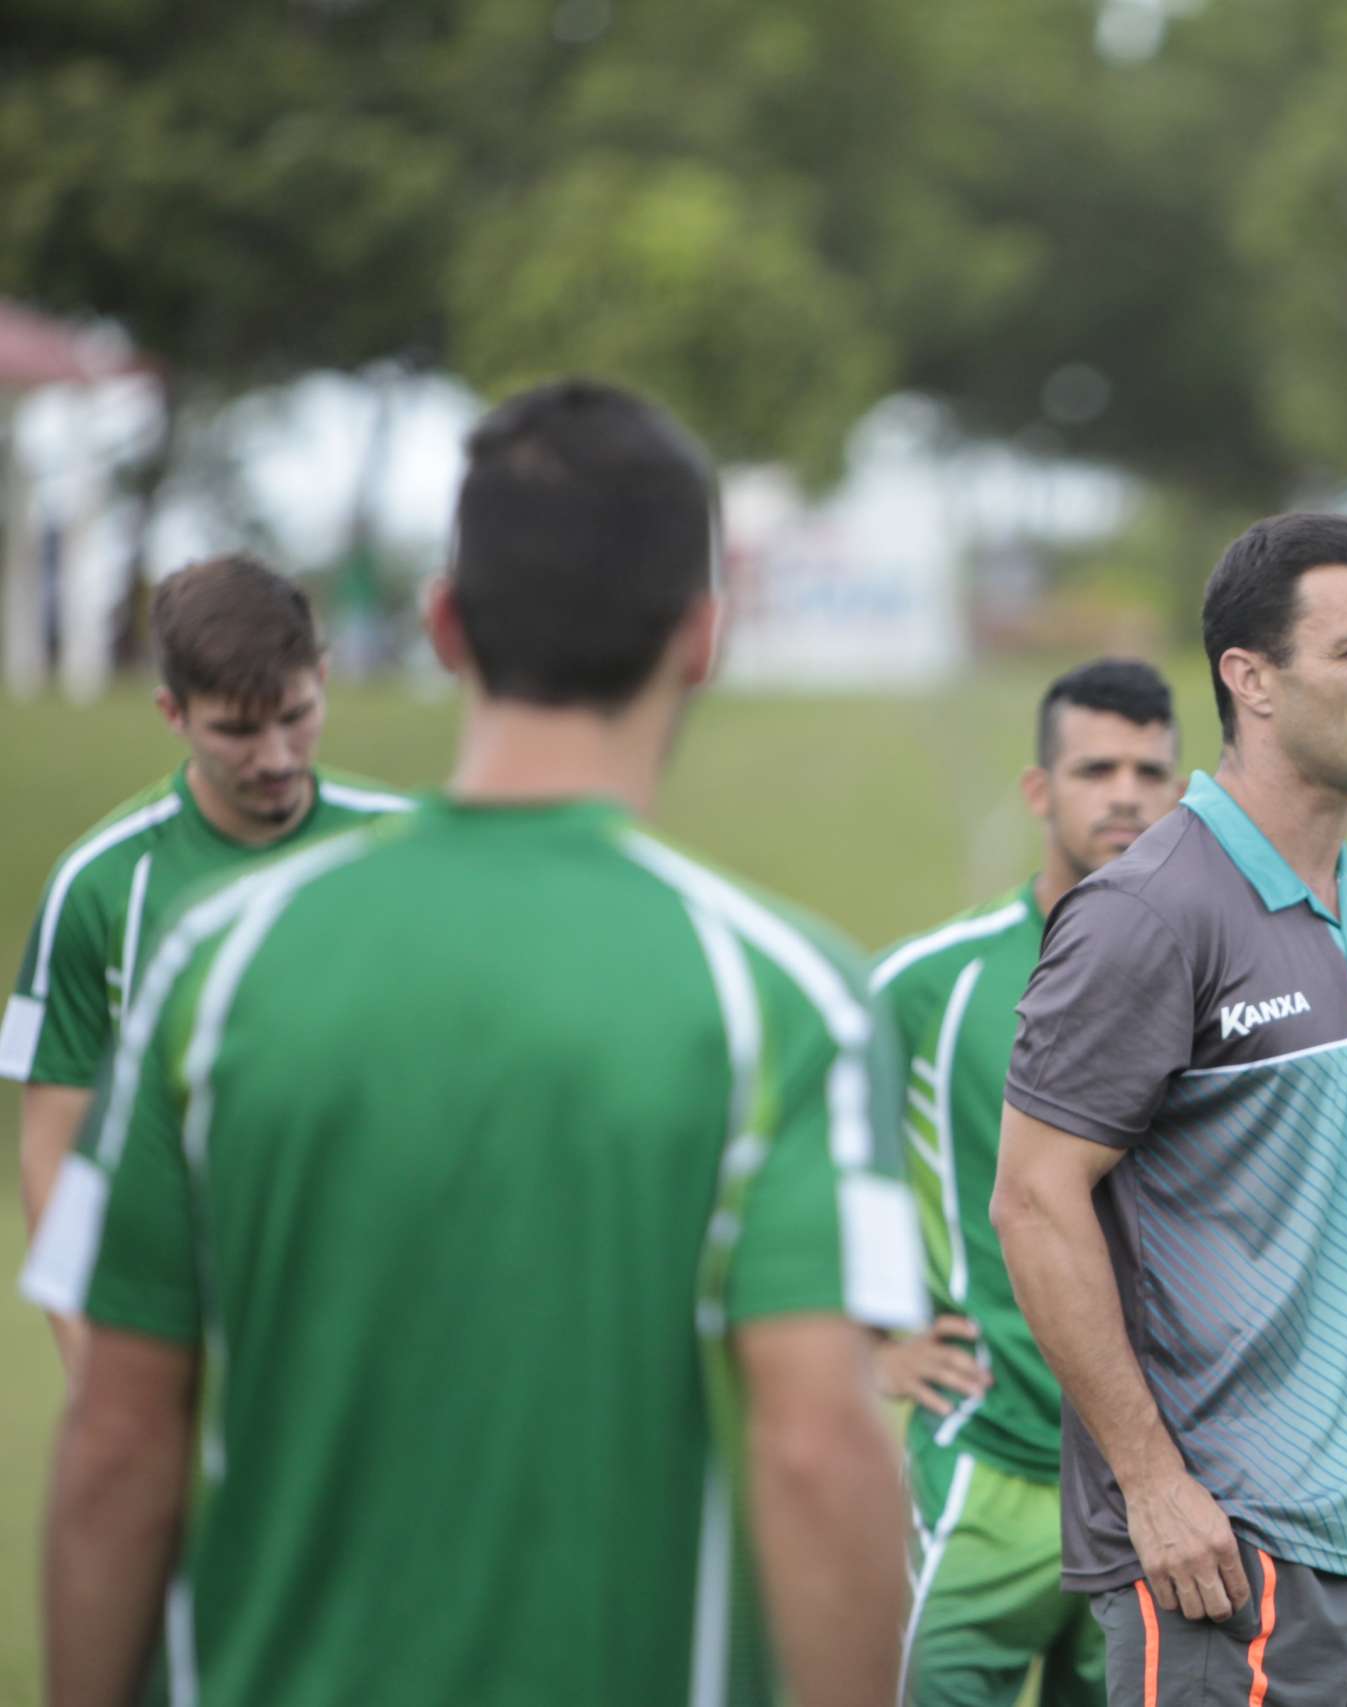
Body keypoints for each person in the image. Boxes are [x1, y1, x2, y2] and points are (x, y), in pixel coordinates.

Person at [18, 380, 926, 1707]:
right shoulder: (787, 996)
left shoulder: (205, 965)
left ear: (444, 622)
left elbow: (114, 1441)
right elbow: (818, 1452)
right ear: (704, 635)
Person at [991, 513, 1347, 1707]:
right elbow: (1034, 1200)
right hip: (1221, 1556)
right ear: (1249, 678)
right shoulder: (1146, 913)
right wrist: (1152, 1482)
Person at [3, 553, 411, 1363]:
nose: (275, 756)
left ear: (323, 677)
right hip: (182, 1331)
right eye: (236, 728)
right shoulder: (101, 886)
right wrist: (94, 1366)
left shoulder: (409, 849)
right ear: (173, 713)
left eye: (296, 714)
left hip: (386, 1330)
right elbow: (53, 1149)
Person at [871, 657, 1185, 1707]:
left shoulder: (1211, 979)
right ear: (1038, 791)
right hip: (986, 1468)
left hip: (1153, 1487)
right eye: (1097, 768)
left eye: (1151, 769)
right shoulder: (930, 985)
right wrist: (877, 1340)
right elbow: (815, 1165)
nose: (1128, 793)